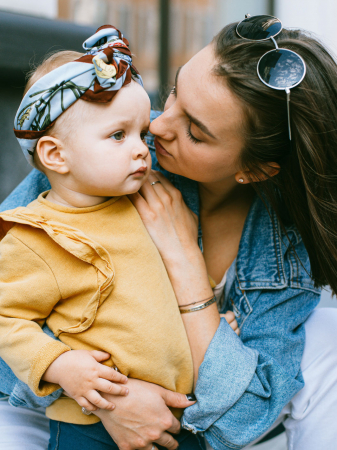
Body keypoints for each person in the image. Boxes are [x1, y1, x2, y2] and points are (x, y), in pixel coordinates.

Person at [1, 14, 337, 450]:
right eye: (175, 91)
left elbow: (244, 419)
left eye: (194, 132)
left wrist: (184, 263)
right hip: (57, 410)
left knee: (327, 338)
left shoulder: (284, 246)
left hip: (190, 431)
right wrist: (109, 399)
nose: (157, 127)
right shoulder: (98, 149)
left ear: (255, 170)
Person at [0, 24, 242, 450]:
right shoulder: (38, 237)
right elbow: (7, 319)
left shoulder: (147, 204)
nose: (142, 150)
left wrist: (214, 327)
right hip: (89, 429)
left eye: (140, 133)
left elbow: (155, 293)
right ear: (56, 155)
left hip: (178, 419)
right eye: (118, 136)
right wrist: (58, 364)